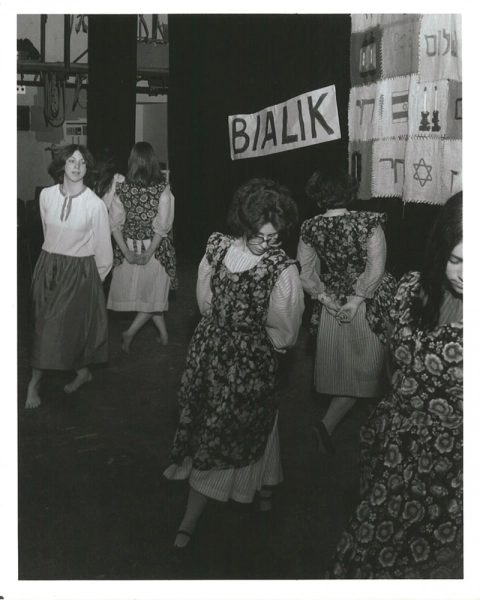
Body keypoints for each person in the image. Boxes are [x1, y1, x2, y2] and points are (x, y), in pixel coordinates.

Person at [164, 178, 304, 550]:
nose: (267, 244)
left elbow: (286, 333)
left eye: (275, 237)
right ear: (244, 225)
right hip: (209, 351)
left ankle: (190, 518)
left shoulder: (283, 270)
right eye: (259, 236)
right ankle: (264, 487)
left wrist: (249, 340)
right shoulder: (218, 247)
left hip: (249, 360)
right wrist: (222, 326)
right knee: (231, 422)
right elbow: (204, 299)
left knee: (234, 427)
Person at [328, 192, 463, 578]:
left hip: (450, 468)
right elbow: (392, 360)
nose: (466, 274)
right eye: (456, 260)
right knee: (366, 553)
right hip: (392, 443)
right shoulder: (410, 288)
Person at [297, 167, 396, 454]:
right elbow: (376, 268)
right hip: (369, 303)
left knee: (352, 372)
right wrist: (357, 300)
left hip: (333, 301)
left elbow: (305, 271)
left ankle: (367, 431)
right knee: (374, 371)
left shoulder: (310, 227)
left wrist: (325, 298)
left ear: (318, 197)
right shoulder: (368, 222)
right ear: (351, 193)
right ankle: (375, 435)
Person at [25, 144, 113, 409]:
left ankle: (33, 384)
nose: (77, 166)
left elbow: (104, 253)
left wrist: (91, 284)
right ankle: (82, 372)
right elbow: (48, 233)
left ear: (88, 168)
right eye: (72, 160)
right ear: (62, 164)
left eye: (83, 162)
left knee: (52, 327)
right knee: (49, 325)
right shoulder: (46, 196)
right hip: (47, 266)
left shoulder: (95, 205)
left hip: (78, 273)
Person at [106, 142, 176, 351]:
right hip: (154, 248)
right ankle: (130, 333)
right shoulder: (163, 189)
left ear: (132, 162)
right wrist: (148, 253)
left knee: (152, 297)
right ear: (153, 162)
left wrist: (126, 252)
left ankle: (164, 335)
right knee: (154, 295)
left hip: (130, 244)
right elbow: (162, 226)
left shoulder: (122, 188)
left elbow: (114, 224)